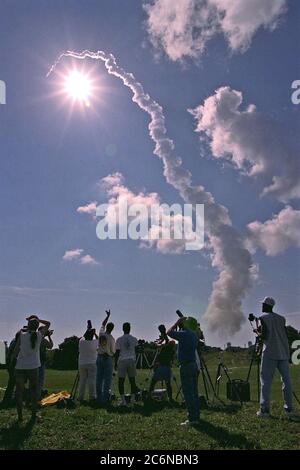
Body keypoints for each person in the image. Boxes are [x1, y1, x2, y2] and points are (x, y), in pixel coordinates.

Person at [256, 296, 293, 418]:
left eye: (263, 304)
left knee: (265, 382)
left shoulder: (263, 318)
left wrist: (257, 333)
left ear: (267, 306)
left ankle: (264, 410)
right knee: (286, 381)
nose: (261, 306)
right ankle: (289, 409)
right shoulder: (282, 319)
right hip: (283, 352)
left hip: (270, 353)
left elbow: (264, 336)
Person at [13, 315, 50, 425]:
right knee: (34, 392)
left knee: (19, 392)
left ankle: (20, 416)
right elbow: (48, 323)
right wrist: (38, 320)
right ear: (37, 326)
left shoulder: (21, 335)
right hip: (33, 367)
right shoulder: (39, 335)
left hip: (20, 366)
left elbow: (16, 350)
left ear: (28, 325)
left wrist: (12, 361)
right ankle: (33, 414)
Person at [167, 316, 200, 426]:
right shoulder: (194, 335)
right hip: (193, 364)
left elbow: (169, 332)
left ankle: (192, 418)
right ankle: (196, 416)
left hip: (185, 365)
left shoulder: (185, 334)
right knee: (194, 392)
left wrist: (177, 322)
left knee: (188, 393)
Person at [149, 325, 175, 403]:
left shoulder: (166, 344)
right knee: (168, 384)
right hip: (167, 367)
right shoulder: (170, 345)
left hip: (161, 367)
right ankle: (170, 399)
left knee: (153, 382)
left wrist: (160, 341)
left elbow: (158, 345)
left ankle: (149, 397)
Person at [115, 322, 139, 406]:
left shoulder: (119, 339)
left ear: (122, 329)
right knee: (132, 380)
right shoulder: (134, 339)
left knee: (121, 381)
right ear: (130, 328)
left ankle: (123, 401)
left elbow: (117, 352)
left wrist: (115, 363)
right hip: (131, 360)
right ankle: (132, 399)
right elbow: (137, 350)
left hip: (122, 360)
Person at [96, 310, 116, 406]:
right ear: (112, 329)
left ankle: (98, 398)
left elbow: (102, 324)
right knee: (107, 380)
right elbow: (113, 351)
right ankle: (104, 399)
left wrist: (108, 316)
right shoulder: (112, 338)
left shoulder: (101, 334)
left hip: (99, 357)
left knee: (98, 379)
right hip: (107, 358)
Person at [78, 323, 98, 403]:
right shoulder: (94, 342)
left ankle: (80, 397)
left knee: (82, 381)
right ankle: (92, 397)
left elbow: (83, 336)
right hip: (92, 363)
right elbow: (98, 338)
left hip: (82, 363)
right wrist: (94, 333)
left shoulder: (81, 342)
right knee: (91, 381)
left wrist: (88, 329)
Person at [38, 326, 53, 399]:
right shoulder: (42, 340)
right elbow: (51, 346)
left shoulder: (35, 338)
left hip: (33, 361)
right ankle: (37, 396)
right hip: (40, 361)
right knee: (40, 379)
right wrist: (49, 336)